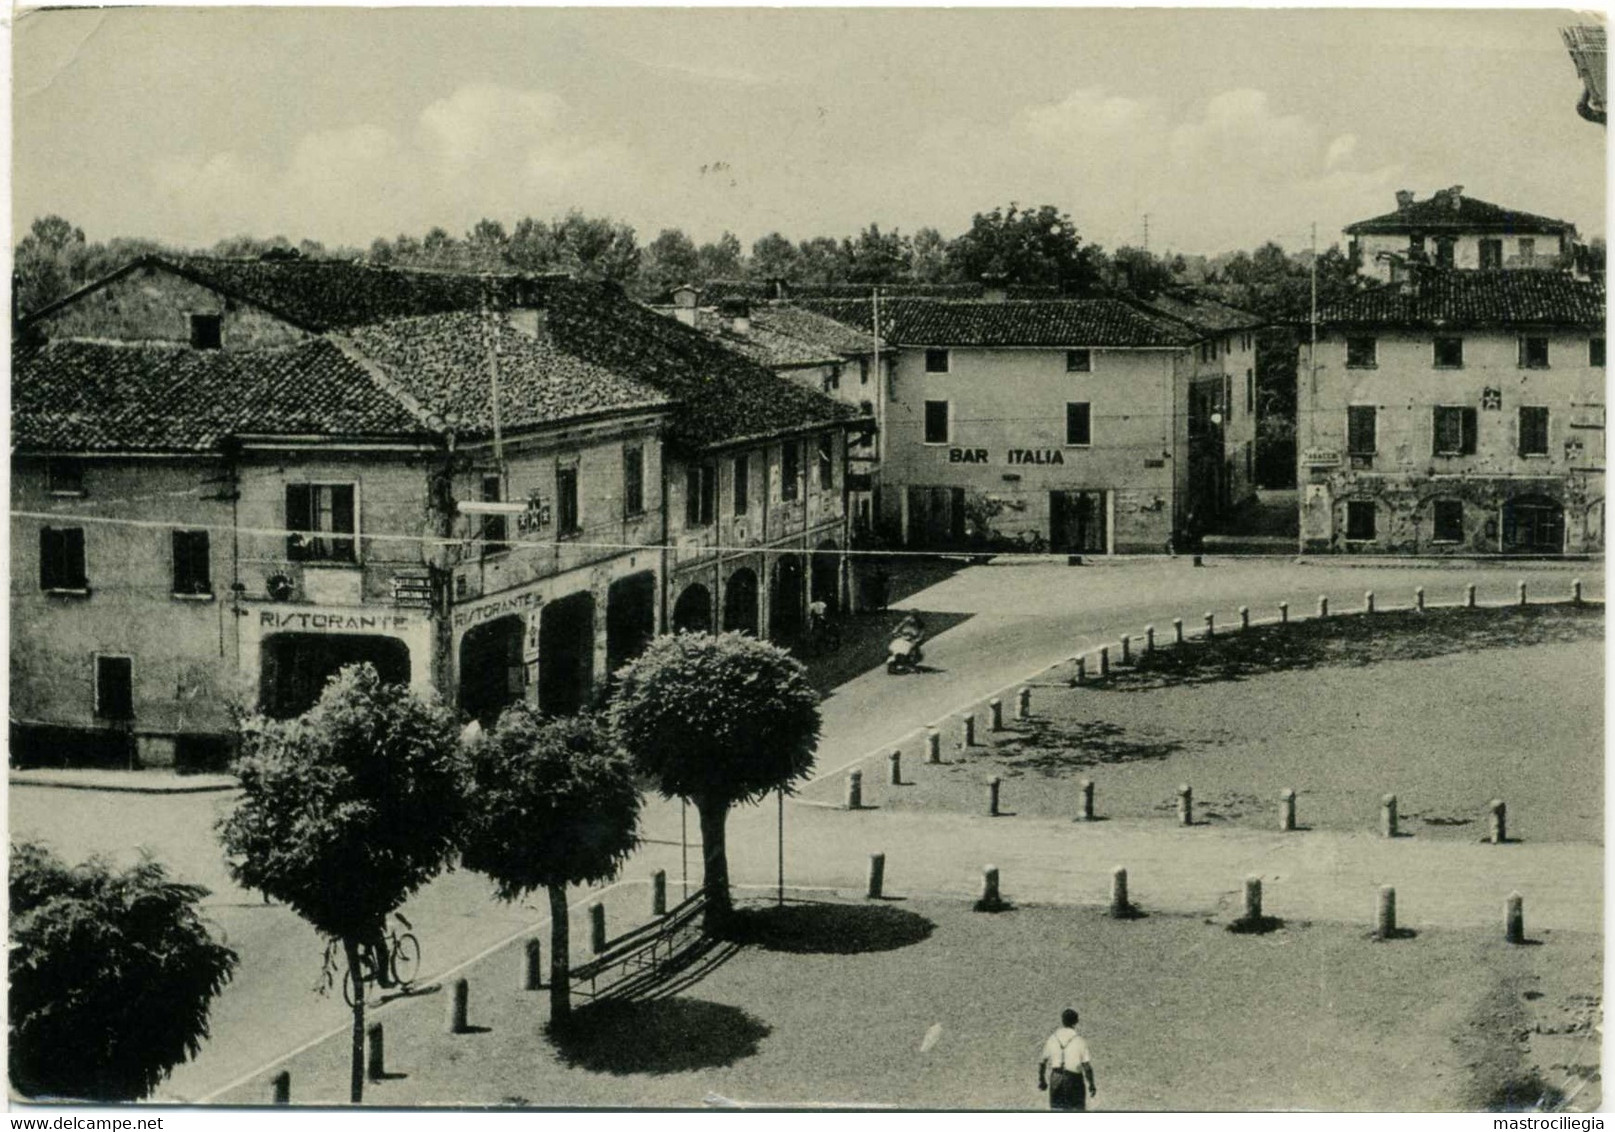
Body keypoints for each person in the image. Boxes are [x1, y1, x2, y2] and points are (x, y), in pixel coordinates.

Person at [1038, 1008, 1096, 1111]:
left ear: (1062, 1020)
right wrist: (1091, 1084)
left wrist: (1042, 1080)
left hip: (1056, 1078)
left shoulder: (1053, 1038)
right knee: (1077, 1111)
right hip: (1074, 1080)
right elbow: (1087, 1067)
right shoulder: (1079, 1040)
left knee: (1057, 1110)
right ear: (1076, 1021)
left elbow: (1042, 1062)